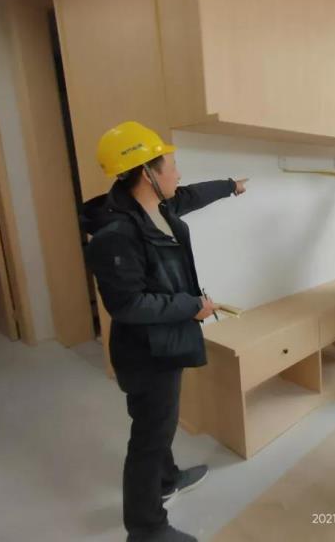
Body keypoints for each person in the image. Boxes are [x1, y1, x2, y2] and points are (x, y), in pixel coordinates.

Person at [81, 121, 248, 542]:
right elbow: (128, 304)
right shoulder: (115, 235)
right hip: (145, 352)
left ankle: (167, 479)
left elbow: (191, 195)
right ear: (146, 173)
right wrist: (192, 306)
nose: (178, 173)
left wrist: (230, 186)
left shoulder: (157, 208)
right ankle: (146, 528)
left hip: (165, 341)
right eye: (171, 166)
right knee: (149, 438)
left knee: (158, 423)